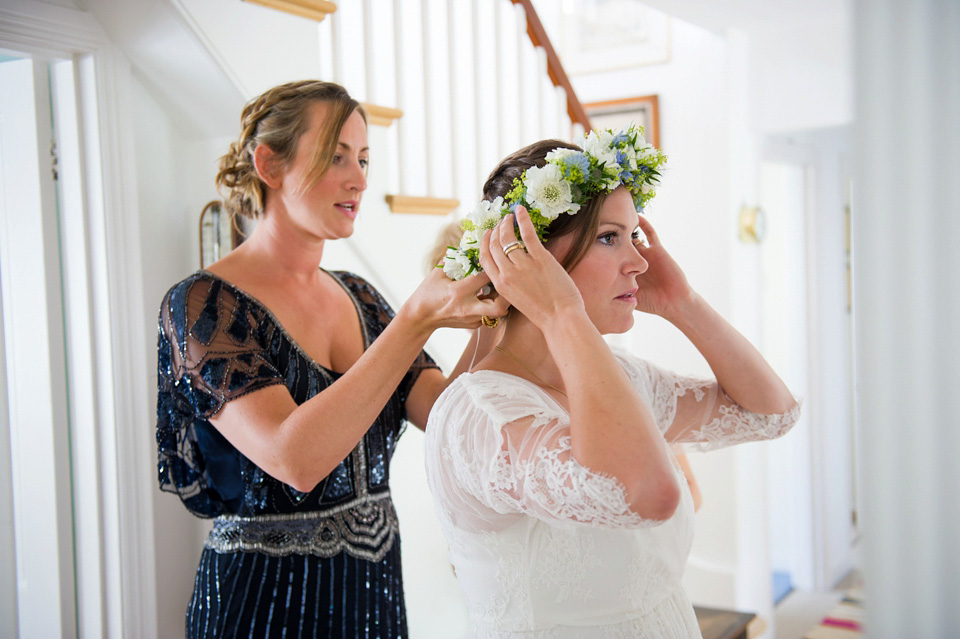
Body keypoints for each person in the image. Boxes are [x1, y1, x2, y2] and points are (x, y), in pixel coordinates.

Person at [155, 80, 507, 638]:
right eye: (336, 156)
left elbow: (447, 411)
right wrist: (417, 318)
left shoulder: (360, 295)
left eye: (364, 158)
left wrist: (497, 312)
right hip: (261, 604)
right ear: (268, 164)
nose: (360, 178)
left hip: (373, 594)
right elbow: (296, 458)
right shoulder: (202, 305)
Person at [424, 128, 800, 638]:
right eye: (609, 238)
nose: (640, 262)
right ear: (528, 257)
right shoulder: (479, 415)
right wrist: (558, 312)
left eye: (633, 235)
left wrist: (681, 303)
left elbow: (772, 413)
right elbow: (647, 494)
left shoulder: (621, 376)